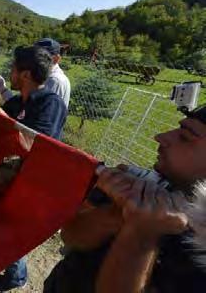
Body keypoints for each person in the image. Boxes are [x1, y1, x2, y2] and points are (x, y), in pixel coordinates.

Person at [44, 106, 206, 292]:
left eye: (185, 137)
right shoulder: (142, 184)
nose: (161, 137)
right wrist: (116, 214)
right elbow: (70, 236)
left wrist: (142, 232)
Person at [0, 45, 68, 290]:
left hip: (34, 182)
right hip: (12, 175)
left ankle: (16, 276)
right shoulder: (20, 101)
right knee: (0, 220)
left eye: (14, 69)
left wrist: (3, 116)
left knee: (13, 229)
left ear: (26, 75)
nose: (11, 73)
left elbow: (37, 144)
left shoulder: (51, 104)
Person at [0, 38, 71, 108]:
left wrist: (3, 90)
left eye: (45, 56)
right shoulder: (44, 75)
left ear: (56, 59)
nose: (37, 58)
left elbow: (30, 111)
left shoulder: (54, 80)